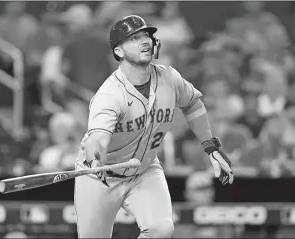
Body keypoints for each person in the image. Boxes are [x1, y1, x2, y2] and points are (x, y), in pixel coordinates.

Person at [74, 15, 234, 238]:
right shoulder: (109, 95)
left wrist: (211, 146)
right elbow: (97, 138)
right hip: (102, 174)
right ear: (118, 51)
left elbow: (192, 103)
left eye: (146, 35)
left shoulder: (169, 78)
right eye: (134, 38)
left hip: (144, 170)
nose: (145, 41)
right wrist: (95, 156)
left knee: (161, 230)